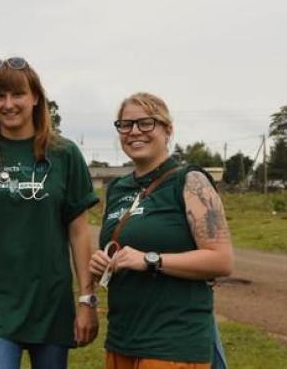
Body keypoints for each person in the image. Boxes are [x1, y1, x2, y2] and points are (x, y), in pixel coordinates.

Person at [0, 57, 99, 369]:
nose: (8, 104)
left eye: (17, 95)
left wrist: (87, 300)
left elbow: (79, 231)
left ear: (35, 98)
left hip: (51, 304)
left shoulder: (64, 154)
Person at [89, 92, 234, 369]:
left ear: (167, 130)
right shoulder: (117, 189)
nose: (134, 132)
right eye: (125, 125)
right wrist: (102, 264)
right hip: (122, 339)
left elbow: (221, 260)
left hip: (173, 343)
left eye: (146, 123)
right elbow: (119, 252)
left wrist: (150, 260)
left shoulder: (190, 181)